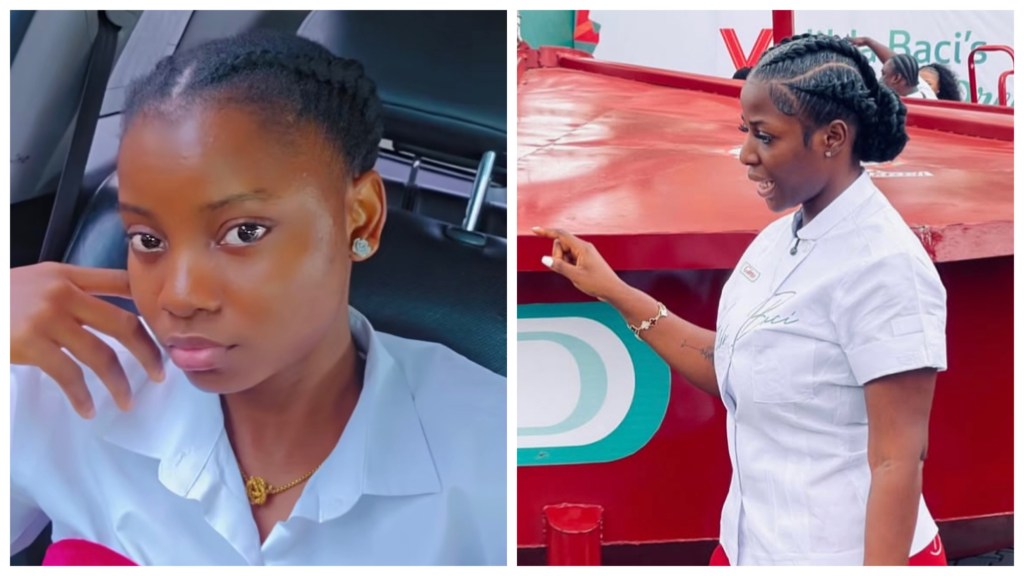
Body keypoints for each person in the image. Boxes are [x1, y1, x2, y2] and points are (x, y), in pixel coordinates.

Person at [10, 30, 506, 566]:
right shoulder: (59, 389)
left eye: (244, 232)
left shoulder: (499, 454)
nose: (180, 298)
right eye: (147, 241)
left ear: (359, 215)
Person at [534, 34, 947, 566]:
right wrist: (611, 289)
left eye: (765, 136)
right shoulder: (778, 240)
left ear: (833, 138)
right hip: (753, 546)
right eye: (744, 133)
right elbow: (732, 365)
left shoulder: (886, 266)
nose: (746, 155)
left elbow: (898, 460)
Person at [848, 36, 938, 99]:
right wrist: (867, 41)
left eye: (884, 74)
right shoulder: (922, 89)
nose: (880, 79)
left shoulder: (897, 108)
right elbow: (898, 62)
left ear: (896, 78)